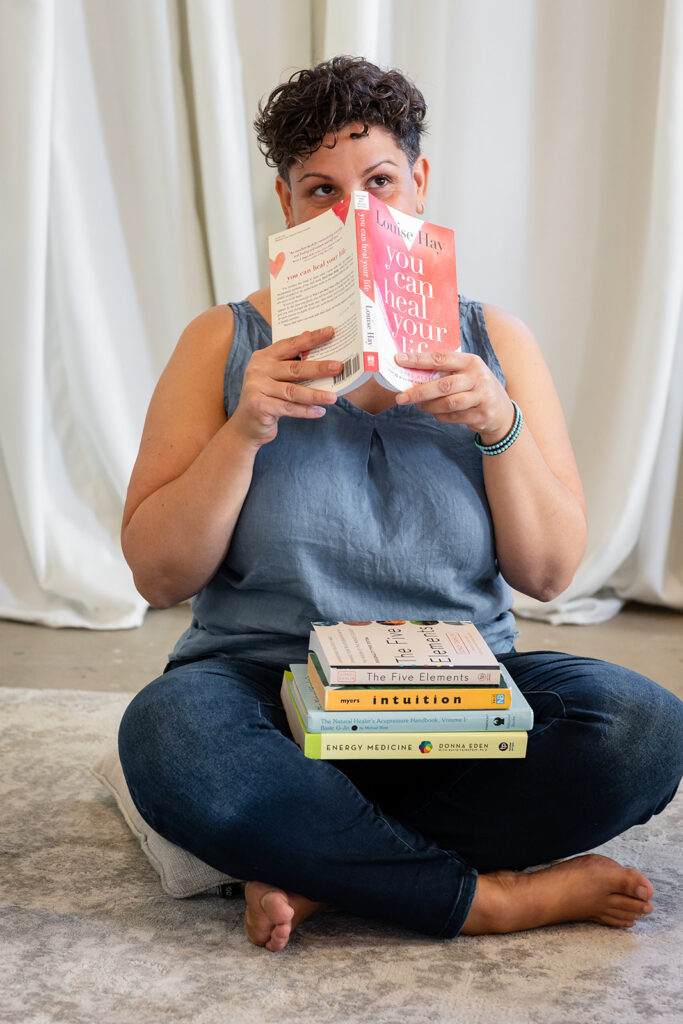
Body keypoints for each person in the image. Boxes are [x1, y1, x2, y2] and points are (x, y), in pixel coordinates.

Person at [118, 56, 683, 953]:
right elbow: (155, 574)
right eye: (320, 191)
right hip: (266, 693)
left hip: (458, 702)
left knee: (642, 730)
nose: (353, 216)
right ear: (286, 205)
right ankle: (490, 899)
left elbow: (547, 573)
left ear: (418, 184)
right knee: (168, 737)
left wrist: (499, 423)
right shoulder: (222, 339)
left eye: (378, 182)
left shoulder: (495, 340)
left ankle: (316, 865)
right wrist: (245, 429)